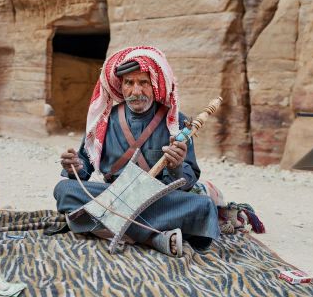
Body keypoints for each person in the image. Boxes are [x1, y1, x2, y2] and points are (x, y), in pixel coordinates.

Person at [53, 45, 219, 257]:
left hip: (156, 200)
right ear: (120, 86)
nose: (136, 91)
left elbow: (188, 180)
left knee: (203, 206)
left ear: (155, 85)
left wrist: (177, 167)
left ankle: (98, 225)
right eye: (129, 83)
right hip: (113, 195)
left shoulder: (175, 122)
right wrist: (73, 167)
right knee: (65, 190)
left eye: (143, 83)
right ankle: (153, 237)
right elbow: (84, 168)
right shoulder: (105, 119)